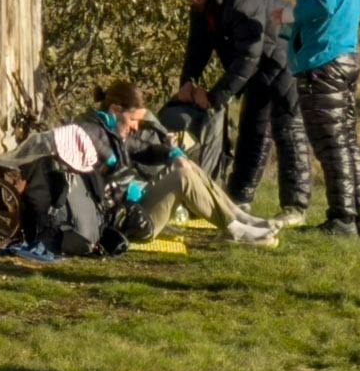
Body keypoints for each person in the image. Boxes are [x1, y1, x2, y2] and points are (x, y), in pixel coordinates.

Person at [169, 0, 310, 217]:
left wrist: (215, 96)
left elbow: (249, 56)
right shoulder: (202, 5)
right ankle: (240, 197)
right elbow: (197, 46)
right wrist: (187, 82)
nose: (191, 0)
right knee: (253, 127)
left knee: (287, 127)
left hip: (284, 58)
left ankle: (295, 207)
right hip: (258, 65)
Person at [90, 78, 277, 246]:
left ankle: (237, 217)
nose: (135, 127)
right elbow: (108, 180)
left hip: (132, 209)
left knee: (184, 165)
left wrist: (172, 153)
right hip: (127, 221)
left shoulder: (114, 130)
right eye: (133, 120)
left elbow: (143, 149)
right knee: (182, 177)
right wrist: (133, 188)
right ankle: (234, 228)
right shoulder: (95, 135)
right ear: (115, 110)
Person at [281, 0, 360, 236]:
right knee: (346, 141)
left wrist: (290, 16)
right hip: (348, 58)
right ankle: (356, 216)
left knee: (329, 143)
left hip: (323, 62)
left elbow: (323, 3)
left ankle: (342, 219)